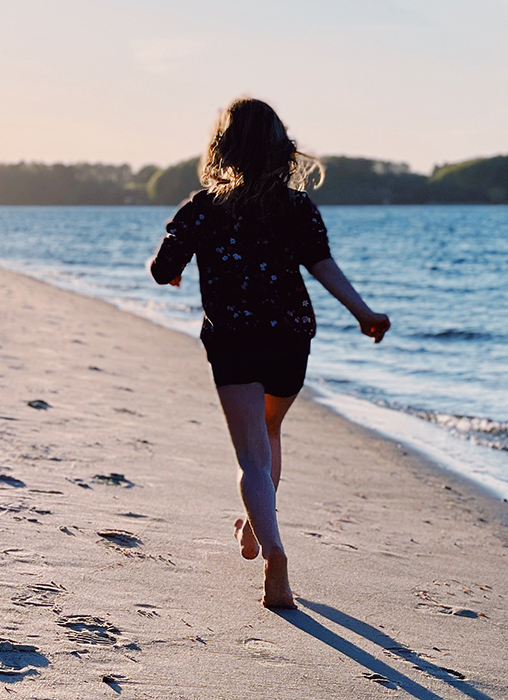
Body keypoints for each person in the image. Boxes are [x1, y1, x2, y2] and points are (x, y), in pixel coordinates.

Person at [148, 98, 391, 609]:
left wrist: (173, 269)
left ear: (224, 148)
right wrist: (364, 313)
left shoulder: (202, 207)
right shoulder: (296, 207)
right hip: (290, 339)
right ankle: (258, 529)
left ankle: (273, 550)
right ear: (281, 150)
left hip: (233, 340)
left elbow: (163, 264)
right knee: (271, 432)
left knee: (250, 457)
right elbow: (323, 267)